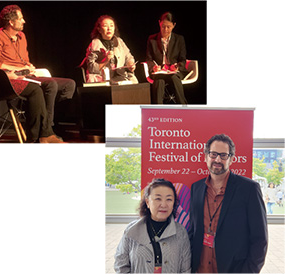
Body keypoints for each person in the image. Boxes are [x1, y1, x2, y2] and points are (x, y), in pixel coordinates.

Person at [189, 134, 268, 273]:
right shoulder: (196, 188)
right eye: (213, 154)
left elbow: (260, 239)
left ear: (231, 159)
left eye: (223, 155)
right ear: (206, 156)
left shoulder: (249, 189)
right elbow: (193, 230)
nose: (217, 159)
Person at [0, 4, 76, 128]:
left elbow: (24, 59)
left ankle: (53, 122)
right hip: (14, 79)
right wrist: (19, 69)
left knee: (69, 84)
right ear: (11, 22)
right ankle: (46, 128)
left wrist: (28, 65)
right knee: (51, 85)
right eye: (21, 18)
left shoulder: (22, 37)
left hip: (28, 74)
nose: (24, 21)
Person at [114, 178, 191, 273]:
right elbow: (120, 265)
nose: (164, 204)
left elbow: (186, 269)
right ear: (147, 202)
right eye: (158, 199)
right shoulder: (131, 230)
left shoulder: (180, 231)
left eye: (169, 199)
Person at [80, 15, 138, 84]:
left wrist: (130, 64)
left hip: (120, 77)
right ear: (99, 29)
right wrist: (106, 60)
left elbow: (128, 57)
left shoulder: (119, 41)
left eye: (111, 26)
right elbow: (91, 68)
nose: (109, 28)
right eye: (105, 26)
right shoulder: (95, 44)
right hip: (103, 79)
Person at [146, 12, 188, 104]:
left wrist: (177, 67)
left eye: (168, 27)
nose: (165, 29)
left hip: (173, 72)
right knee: (159, 81)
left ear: (174, 25)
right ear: (159, 23)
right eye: (163, 26)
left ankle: (183, 107)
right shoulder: (152, 39)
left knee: (174, 78)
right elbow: (148, 59)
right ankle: (157, 110)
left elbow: (182, 59)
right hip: (159, 72)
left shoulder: (179, 39)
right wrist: (153, 67)